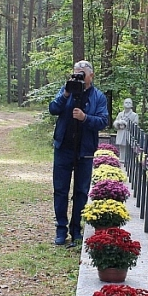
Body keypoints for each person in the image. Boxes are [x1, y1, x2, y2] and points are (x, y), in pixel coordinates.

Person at [49, 60, 109, 246]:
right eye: (76, 73)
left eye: (83, 73)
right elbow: (53, 109)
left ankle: (76, 229)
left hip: (85, 150)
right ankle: (61, 229)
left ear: (91, 76)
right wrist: (66, 93)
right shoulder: (65, 91)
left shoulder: (98, 96)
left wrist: (85, 118)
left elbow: (103, 120)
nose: (79, 76)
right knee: (60, 190)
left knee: (81, 191)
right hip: (64, 148)